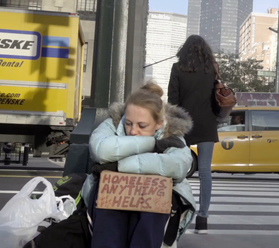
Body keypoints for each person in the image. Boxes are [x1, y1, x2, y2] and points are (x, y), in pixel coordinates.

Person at [82, 82, 196, 248]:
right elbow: (101, 150)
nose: (133, 131)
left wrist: (118, 166)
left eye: (142, 126)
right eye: (128, 123)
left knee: (152, 203)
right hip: (112, 197)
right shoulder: (113, 122)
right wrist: (152, 144)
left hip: (153, 202)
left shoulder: (172, 132)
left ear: (159, 123)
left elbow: (178, 165)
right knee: (110, 204)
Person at [168, 35, 219, 234]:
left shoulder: (177, 68)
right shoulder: (212, 69)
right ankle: (203, 219)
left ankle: (178, 211)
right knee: (205, 172)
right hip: (207, 124)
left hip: (184, 124)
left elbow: (173, 100)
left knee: (180, 169)